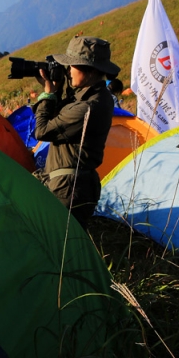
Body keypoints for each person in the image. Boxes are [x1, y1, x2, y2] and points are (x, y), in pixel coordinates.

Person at [33, 36, 119, 229]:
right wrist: (57, 90)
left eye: (72, 65)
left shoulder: (87, 107)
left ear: (89, 70)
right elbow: (59, 116)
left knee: (62, 241)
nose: (68, 71)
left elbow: (42, 131)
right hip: (69, 184)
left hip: (68, 189)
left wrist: (48, 95)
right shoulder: (88, 97)